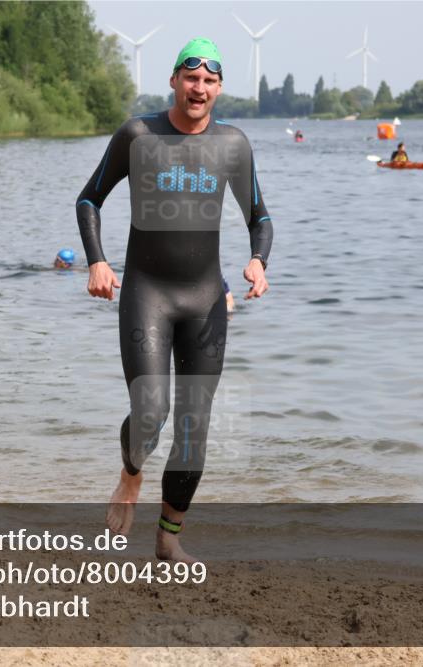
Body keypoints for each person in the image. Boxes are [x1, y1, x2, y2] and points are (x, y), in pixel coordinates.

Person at [75, 37, 273, 562]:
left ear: (219, 89)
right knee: (151, 409)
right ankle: (130, 473)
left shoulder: (233, 145)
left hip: (205, 300)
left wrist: (258, 260)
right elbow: (89, 199)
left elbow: (260, 217)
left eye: (209, 80)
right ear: (173, 81)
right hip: (148, 293)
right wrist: (97, 261)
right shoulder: (139, 135)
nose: (199, 88)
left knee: (194, 425)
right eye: (191, 78)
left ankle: (168, 538)